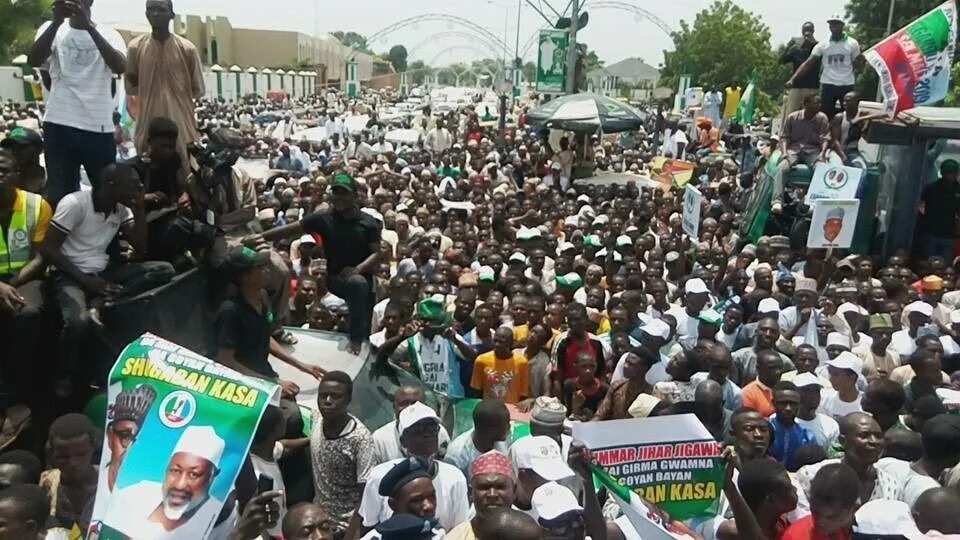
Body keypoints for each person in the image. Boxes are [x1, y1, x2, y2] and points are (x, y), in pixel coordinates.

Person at [40, 162, 175, 397]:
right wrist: (85, 281)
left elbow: (141, 249)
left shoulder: (121, 210)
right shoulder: (75, 204)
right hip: (70, 274)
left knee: (164, 270)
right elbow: (49, 249)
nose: (140, 188)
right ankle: (65, 374)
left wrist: (140, 209)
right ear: (111, 184)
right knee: (78, 323)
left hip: (102, 271)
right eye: (133, 185)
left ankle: (100, 301)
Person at [250, 173, 381, 354]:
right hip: (335, 279)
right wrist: (259, 237)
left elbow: (377, 253)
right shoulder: (323, 218)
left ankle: (359, 341)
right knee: (355, 286)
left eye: (344, 193)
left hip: (362, 280)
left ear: (354, 196)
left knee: (359, 290)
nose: (339, 198)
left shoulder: (368, 222)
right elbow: (291, 229)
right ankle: (356, 341)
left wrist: (358, 269)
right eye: (336, 192)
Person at [28, 0, 126, 206]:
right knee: (60, 196)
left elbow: (119, 66)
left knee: (106, 194)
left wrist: (89, 27)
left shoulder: (110, 34)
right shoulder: (50, 28)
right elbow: (34, 60)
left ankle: (105, 238)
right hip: (59, 125)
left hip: (98, 128)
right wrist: (55, 22)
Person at [213, 246, 325, 404]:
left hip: (263, 372)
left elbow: (265, 336)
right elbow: (226, 361)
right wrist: (273, 384)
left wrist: (302, 366)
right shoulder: (230, 311)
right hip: (242, 385)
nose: (266, 270)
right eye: (259, 268)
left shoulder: (263, 297)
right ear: (244, 277)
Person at [358, 402, 469, 534]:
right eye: (418, 430)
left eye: (432, 428)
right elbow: (368, 525)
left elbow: (460, 530)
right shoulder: (379, 476)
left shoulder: (454, 477)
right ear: (403, 440)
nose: (427, 435)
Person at [125, 0, 205, 174]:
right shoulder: (135, 48)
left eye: (160, 10)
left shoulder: (187, 49)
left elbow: (198, 89)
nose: (155, 14)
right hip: (148, 125)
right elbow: (131, 87)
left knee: (185, 175)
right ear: (146, 14)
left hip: (182, 126)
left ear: (171, 15)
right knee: (148, 176)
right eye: (150, 10)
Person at [104, 425, 226, 537]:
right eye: (176, 471)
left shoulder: (221, 516)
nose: (180, 484)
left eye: (194, 475)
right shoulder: (135, 494)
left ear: (214, 476)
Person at [0, 147, 52, 406]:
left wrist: (11, 284)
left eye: (3, 171)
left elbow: (41, 257)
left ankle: (16, 392)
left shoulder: (36, 205)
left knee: (27, 312)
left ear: (16, 175)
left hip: (25, 277)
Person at [296, 371, 374, 532]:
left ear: (348, 400)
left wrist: (352, 534)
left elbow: (365, 495)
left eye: (335, 396)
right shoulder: (317, 418)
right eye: (323, 396)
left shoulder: (361, 439)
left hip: (344, 527)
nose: (327, 401)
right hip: (318, 523)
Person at [787, 14, 862, 119]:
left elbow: (858, 64)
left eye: (836, 24)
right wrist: (793, 79)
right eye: (831, 24)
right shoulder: (823, 44)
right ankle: (825, 134)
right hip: (828, 85)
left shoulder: (852, 43)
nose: (833, 26)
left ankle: (846, 134)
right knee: (825, 115)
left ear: (842, 25)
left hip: (846, 84)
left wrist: (861, 60)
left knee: (848, 114)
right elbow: (808, 63)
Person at [770, 93, 830, 214]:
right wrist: (785, 152)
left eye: (819, 104)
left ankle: (813, 202)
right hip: (794, 149)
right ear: (806, 104)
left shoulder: (822, 118)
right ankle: (777, 201)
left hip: (812, 150)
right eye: (815, 103)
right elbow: (784, 137)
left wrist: (822, 153)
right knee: (782, 168)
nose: (818, 106)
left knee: (821, 170)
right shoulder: (793, 117)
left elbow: (825, 138)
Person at [39, 413, 99, 532]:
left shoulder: (110, 484)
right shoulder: (49, 481)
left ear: (94, 447)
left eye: (81, 454)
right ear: (51, 454)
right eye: (63, 457)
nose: (73, 463)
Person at [370, 387, 451, 466]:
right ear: (394, 407)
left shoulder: (438, 431)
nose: (409, 408)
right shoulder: (379, 439)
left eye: (415, 403)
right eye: (404, 403)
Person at [445, 450, 516, 540]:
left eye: (500, 487)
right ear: (471, 492)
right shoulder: (456, 537)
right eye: (484, 487)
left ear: (514, 490)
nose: (492, 495)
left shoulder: (529, 534)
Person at [781, 463, 859, 540]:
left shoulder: (859, 530)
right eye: (815, 512)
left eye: (831, 517)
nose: (820, 522)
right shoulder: (794, 537)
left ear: (852, 509)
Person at [508, 435, 575, 519]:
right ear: (523, 476)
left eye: (555, 475)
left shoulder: (563, 502)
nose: (552, 482)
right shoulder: (504, 511)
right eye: (546, 476)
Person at [444, 400, 511, 478]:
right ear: (490, 429)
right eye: (506, 423)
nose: (509, 427)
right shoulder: (456, 455)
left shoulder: (504, 439)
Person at [470, 327, 530, 403]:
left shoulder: (522, 362)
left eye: (502, 342)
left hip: (512, 410)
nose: (497, 344)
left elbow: (523, 394)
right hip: (489, 408)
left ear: (511, 343)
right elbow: (476, 391)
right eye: (495, 340)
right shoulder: (481, 360)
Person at [768, 381, 818, 471]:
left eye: (793, 404)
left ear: (799, 404)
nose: (788, 408)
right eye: (783, 403)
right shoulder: (764, 431)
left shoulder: (807, 436)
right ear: (773, 403)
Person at [919, 160, 960, 260]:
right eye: (949, 173)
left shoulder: (958, 189)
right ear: (942, 173)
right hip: (931, 233)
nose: (951, 176)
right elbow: (920, 206)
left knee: (945, 267)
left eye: (953, 173)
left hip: (949, 235)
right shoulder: (931, 188)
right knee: (929, 263)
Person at [793, 373, 841, 454]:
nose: (813, 395)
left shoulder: (830, 425)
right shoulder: (779, 421)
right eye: (807, 390)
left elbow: (835, 456)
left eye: (816, 391)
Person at [780, 22, 820, 117]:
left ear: (813, 31)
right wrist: (788, 46)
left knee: (812, 115)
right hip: (796, 87)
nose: (807, 32)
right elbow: (781, 60)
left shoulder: (819, 47)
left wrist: (812, 43)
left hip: (812, 87)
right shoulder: (796, 49)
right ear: (802, 32)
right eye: (805, 30)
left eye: (809, 30)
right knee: (791, 114)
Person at [819, 352, 864, 421]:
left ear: (852, 377)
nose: (831, 378)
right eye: (830, 373)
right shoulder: (823, 399)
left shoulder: (865, 404)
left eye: (836, 374)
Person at [741, 350, 784, 418]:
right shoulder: (748, 393)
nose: (778, 372)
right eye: (772, 368)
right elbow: (750, 421)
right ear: (758, 368)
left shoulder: (785, 389)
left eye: (780, 367)